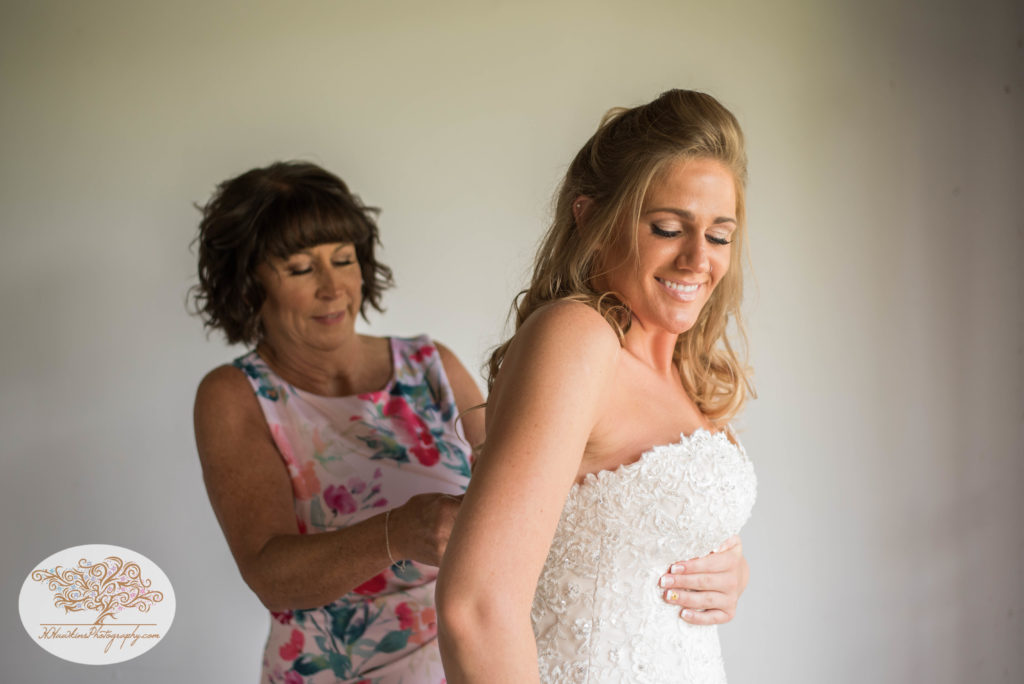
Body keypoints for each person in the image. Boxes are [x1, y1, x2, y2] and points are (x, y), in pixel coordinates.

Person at [436, 89, 757, 683]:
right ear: (591, 218)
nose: (697, 260)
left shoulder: (688, 367)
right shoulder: (576, 338)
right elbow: (475, 609)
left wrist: (727, 570)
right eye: (668, 227)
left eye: (719, 236)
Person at [191, 161, 485, 683]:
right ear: (247, 287)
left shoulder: (434, 366)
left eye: (344, 260)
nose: (333, 288)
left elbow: (529, 495)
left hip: (469, 663)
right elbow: (269, 575)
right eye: (301, 268)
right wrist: (398, 532)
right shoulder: (234, 395)